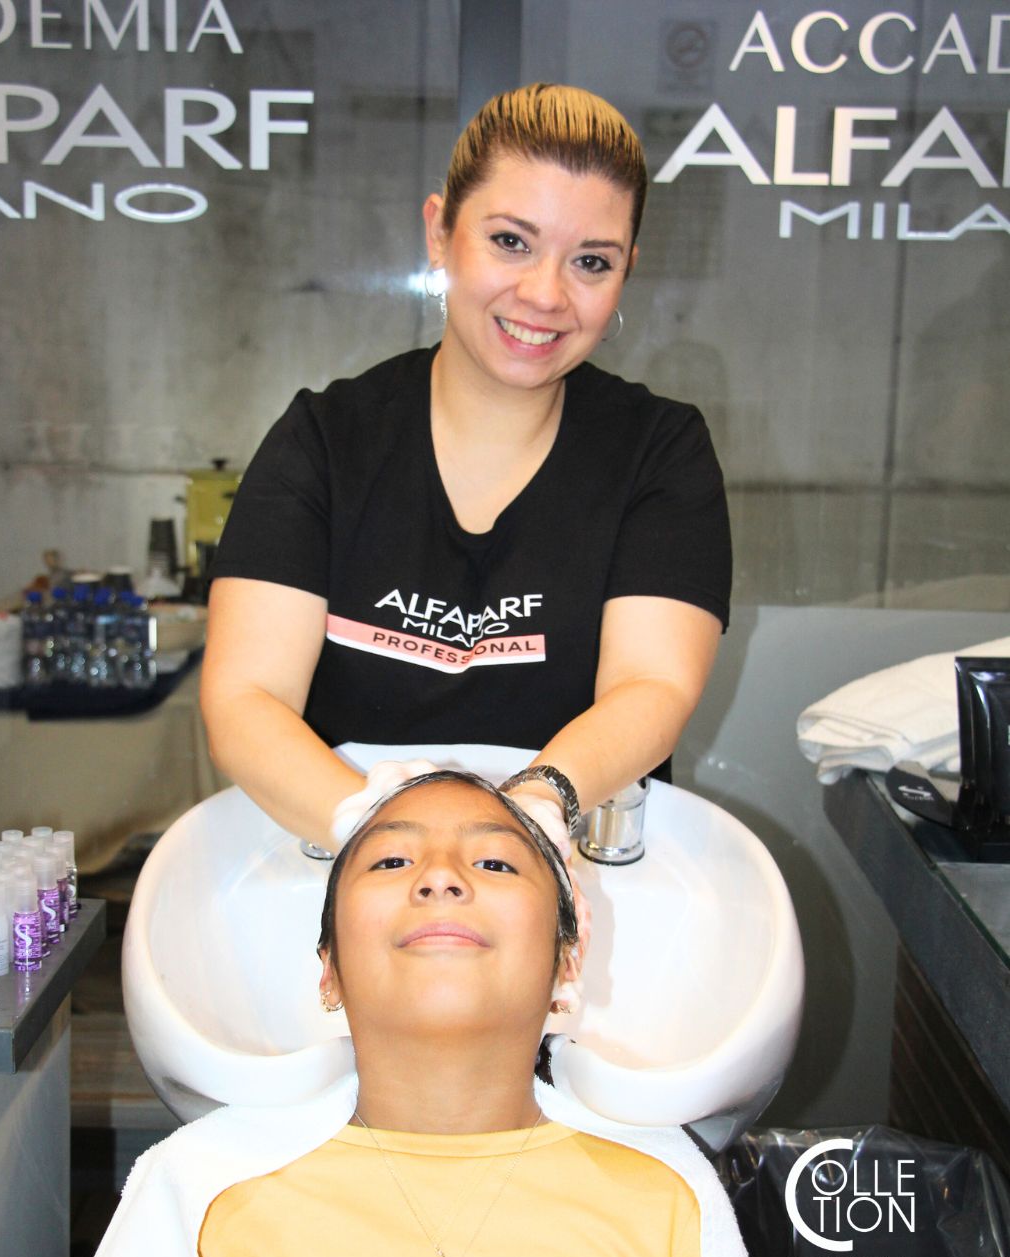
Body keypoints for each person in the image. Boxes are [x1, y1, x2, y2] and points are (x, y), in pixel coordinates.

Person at [51, 772, 768, 1257]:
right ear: (328, 970)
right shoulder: (196, 1190)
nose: (441, 878)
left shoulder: (666, 1195)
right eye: (392, 861)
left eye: (495, 862)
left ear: (566, 965)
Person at [200, 83, 731, 857]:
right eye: (511, 241)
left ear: (626, 273)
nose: (544, 294)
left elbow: (652, 687)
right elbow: (245, 698)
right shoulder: (324, 441)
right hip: (340, 868)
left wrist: (536, 811)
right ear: (439, 232)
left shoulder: (660, 451)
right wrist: (379, 837)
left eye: (591, 261)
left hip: (572, 868)